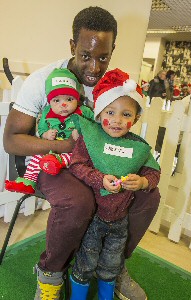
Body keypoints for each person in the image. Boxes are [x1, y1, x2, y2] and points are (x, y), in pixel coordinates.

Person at [3, 6, 160, 300]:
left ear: (113, 50)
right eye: (85, 56)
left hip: (92, 160)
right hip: (48, 161)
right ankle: (49, 274)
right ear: (72, 46)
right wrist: (70, 147)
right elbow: (12, 141)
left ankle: (112, 265)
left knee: (147, 195)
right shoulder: (44, 79)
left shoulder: (113, 84)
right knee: (79, 201)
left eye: (103, 57)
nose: (94, 68)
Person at [69, 69, 161, 300]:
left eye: (126, 114)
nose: (118, 120)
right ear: (99, 114)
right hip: (93, 218)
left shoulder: (138, 147)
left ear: (136, 119)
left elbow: (153, 174)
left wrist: (141, 182)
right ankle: (78, 295)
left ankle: (106, 295)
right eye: (110, 112)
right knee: (86, 260)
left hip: (119, 222)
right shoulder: (90, 138)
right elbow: (76, 165)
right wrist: (98, 179)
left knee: (112, 263)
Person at [4, 68, 93, 194]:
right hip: (51, 150)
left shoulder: (84, 112)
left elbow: (94, 126)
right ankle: (28, 182)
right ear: (50, 102)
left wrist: (82, 132)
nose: (63, 105)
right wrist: (45, 134)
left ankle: (55, 164)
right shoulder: (46, 113)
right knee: (36, 158)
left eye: (69, 99)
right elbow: (41, 128)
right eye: (57, 101)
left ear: (77, 99)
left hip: (73, 152)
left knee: (72, 158)